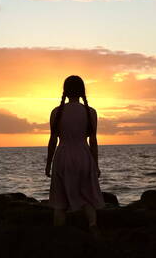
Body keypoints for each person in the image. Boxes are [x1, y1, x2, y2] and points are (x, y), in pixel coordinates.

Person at [45, 75, 105, 232]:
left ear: (65, 90)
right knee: (87, 197)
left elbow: (52, 141)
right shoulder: (90, 112)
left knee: (59, 202)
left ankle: (59, 235)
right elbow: (93, 141)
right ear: (82, 91)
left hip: (63, 156)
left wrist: (48, 164)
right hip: (84, 156)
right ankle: (93, 225)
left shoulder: (56, 112)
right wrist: (96, 165)